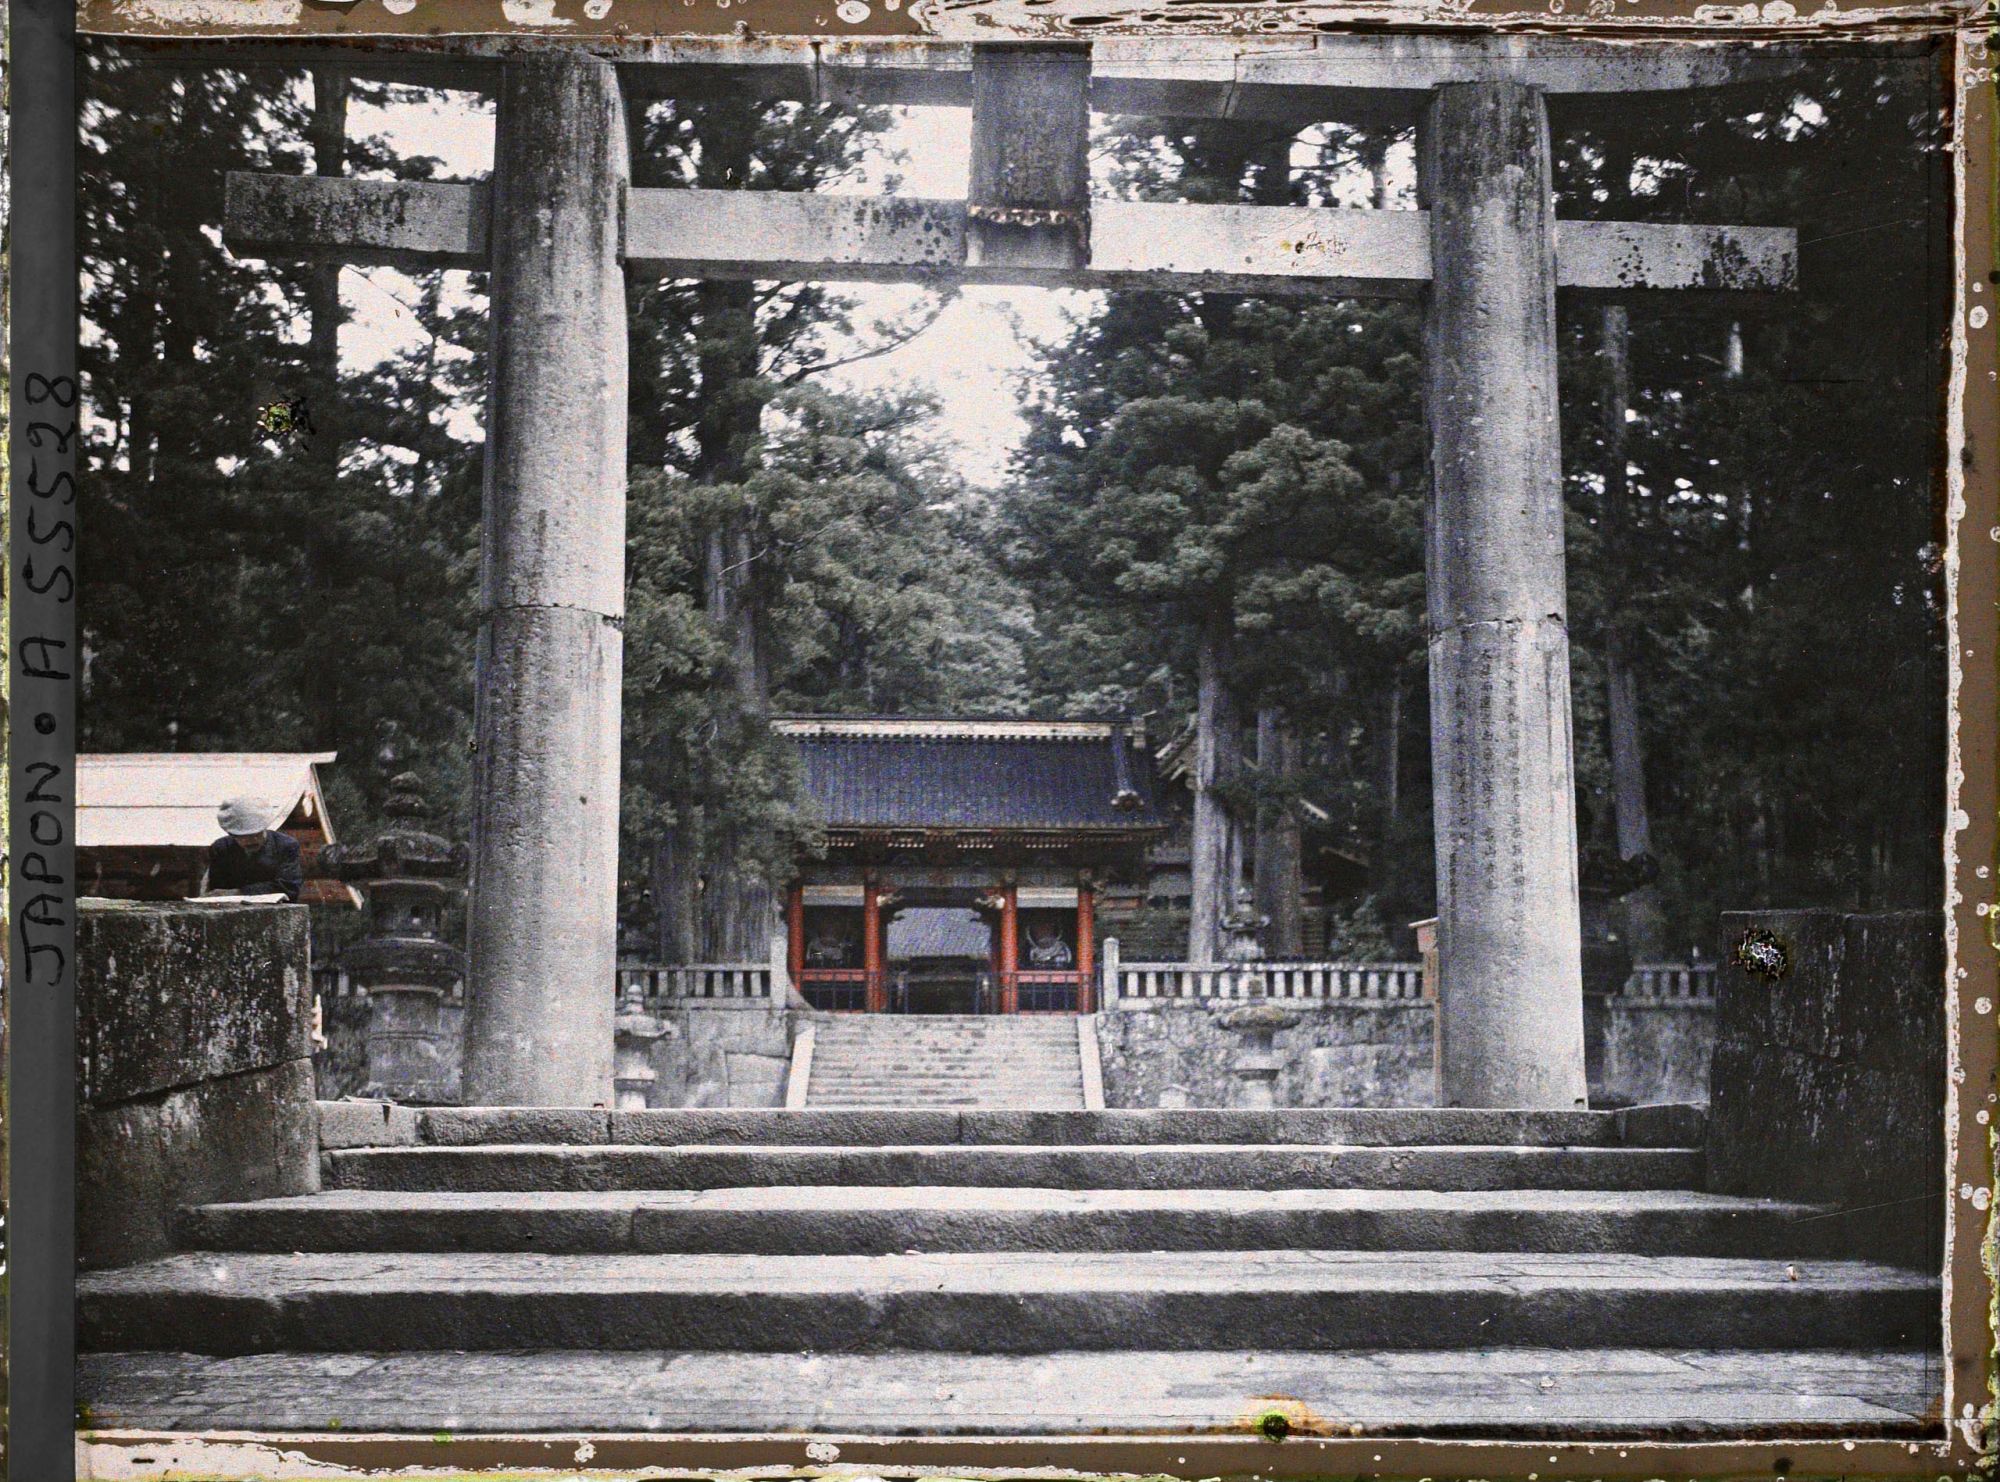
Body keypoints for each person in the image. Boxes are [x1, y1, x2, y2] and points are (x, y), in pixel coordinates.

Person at [206, 796, 304, 902]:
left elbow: (288, 887)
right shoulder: (221, 848)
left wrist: (239, 892)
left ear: (265, 828)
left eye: (257, 834)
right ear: (232, 834)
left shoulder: (286, 845)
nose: (251, 840)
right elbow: (218, 890)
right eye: (243, 836)